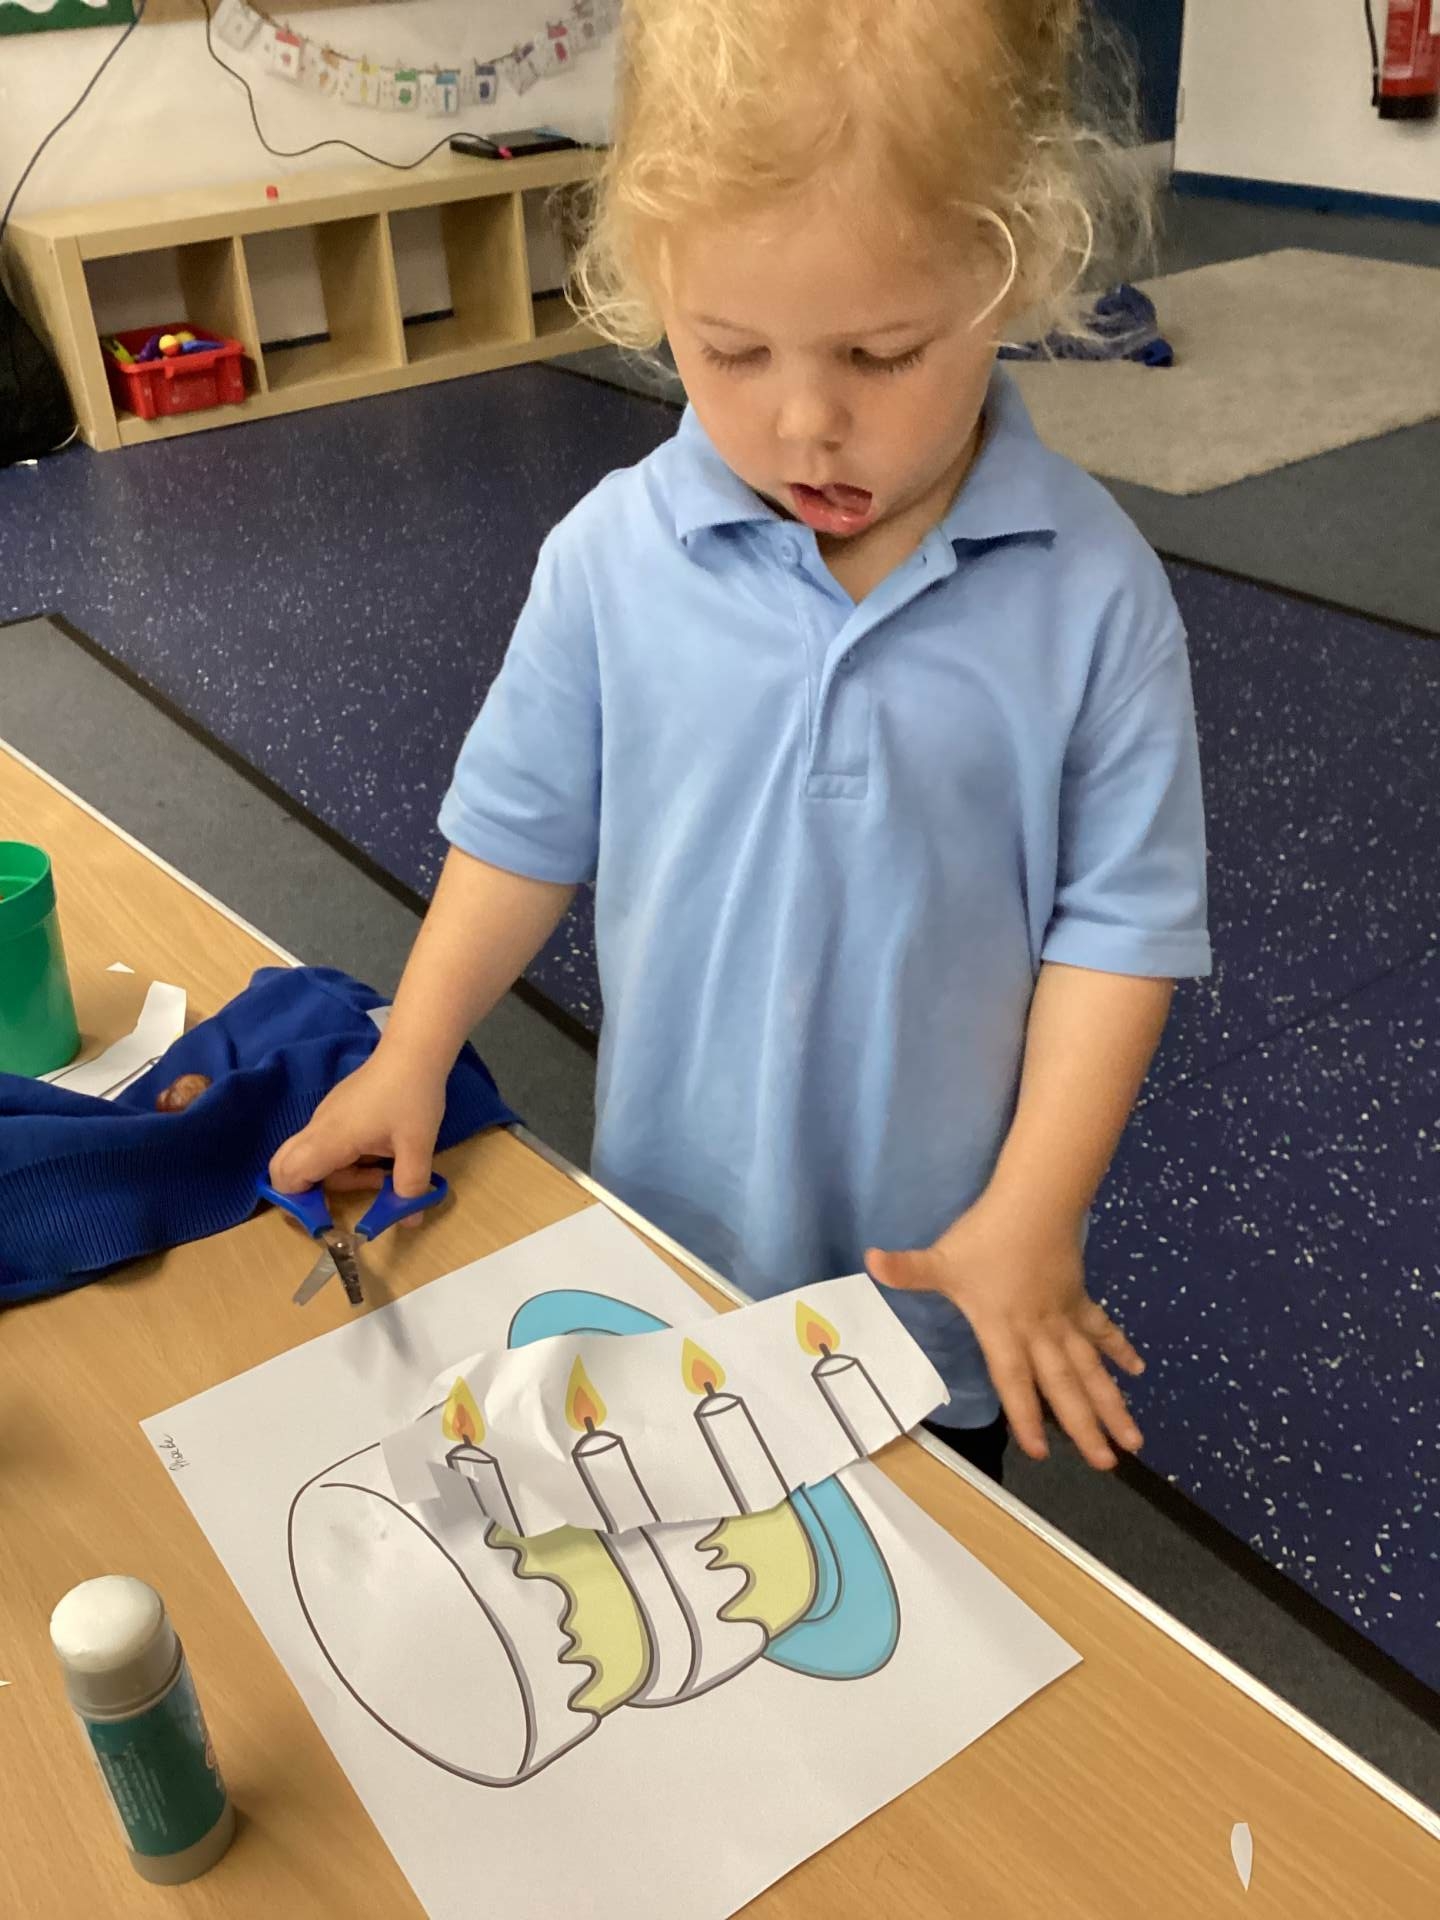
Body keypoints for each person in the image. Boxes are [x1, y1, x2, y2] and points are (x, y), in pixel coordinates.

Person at [271, 0, 1211, 1485]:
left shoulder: (1095, 593)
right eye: (729, 350)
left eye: (881, 354)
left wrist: (1034, 1212)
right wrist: (414, 1046)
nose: (803, 423)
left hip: (939, 1280)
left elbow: (1121, 933)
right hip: (674, 1243)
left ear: (1013, 270)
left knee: (909, 1580)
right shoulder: (611, 558)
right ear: (655, 291)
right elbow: (520, 832)